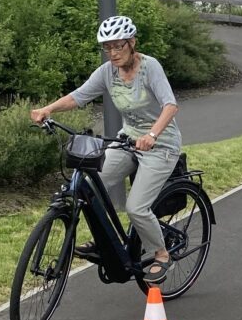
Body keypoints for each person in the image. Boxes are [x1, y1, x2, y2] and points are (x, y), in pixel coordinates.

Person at [30, 15, 181, 286]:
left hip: (160, 145)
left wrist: (152, 134)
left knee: (136, 207)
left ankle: (161, 252)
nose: (112, 53)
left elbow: (170, 105)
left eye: (118, 46)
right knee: (91, 187)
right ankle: (106, 243)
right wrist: (48, 109)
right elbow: (79, 96)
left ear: (132, 42)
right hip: (127, 141)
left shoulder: (150, 68)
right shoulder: (107, 72)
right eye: (107, 48)